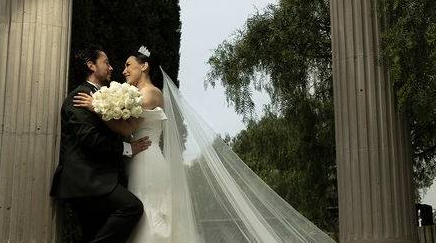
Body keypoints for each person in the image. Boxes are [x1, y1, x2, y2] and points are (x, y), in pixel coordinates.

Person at [74, 46, 336, 243]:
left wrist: (95, 105)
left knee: (150, 214)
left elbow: (126, 121)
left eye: (128, 65)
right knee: (142, 212)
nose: (123, 70)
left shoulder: (151, 93)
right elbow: (127, 125)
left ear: (144, 66)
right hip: (136, 159)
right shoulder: (134, 95)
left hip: (148, 161)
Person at [51, 46, 152, 243]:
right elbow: (89, 139)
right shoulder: (78, 97)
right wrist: (128, 149)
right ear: (91, 65)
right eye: (106, 62)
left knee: (92, 234)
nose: (112, 67)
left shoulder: (101, 96)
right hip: (86, 180)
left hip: (99, 180)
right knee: (132, 207)